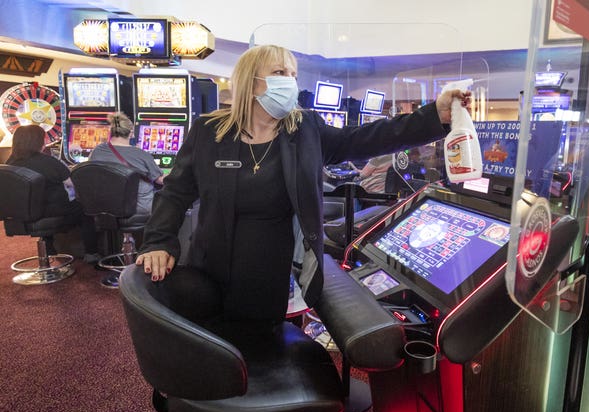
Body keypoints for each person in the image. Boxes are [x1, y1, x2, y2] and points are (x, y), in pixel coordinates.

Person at [135, 44, 470, 324]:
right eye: (280, 73)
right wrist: (159, 241)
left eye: (293, 75)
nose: (290, 81)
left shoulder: (305, 128)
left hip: (274, 270)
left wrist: (433, 115)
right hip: (211, 264)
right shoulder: (210, 131)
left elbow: (366, 138)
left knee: (263, 349)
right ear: (251, 83)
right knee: (213, 345)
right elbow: (176, 193)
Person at [6, 124, 98, 259]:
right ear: (39, 142)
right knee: (85, 208)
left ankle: (49, 251)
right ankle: (92, 253)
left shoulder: (9, 163)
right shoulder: (48, 162)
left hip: (18, 216)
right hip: (51, 212)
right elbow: (72, 183)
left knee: (40, 203)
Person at [89, 112, 164, 214]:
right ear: (131, 133)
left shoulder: (97, 150)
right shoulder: (141, 154)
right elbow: (161, 180)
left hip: (105, 206)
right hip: (138, 207)